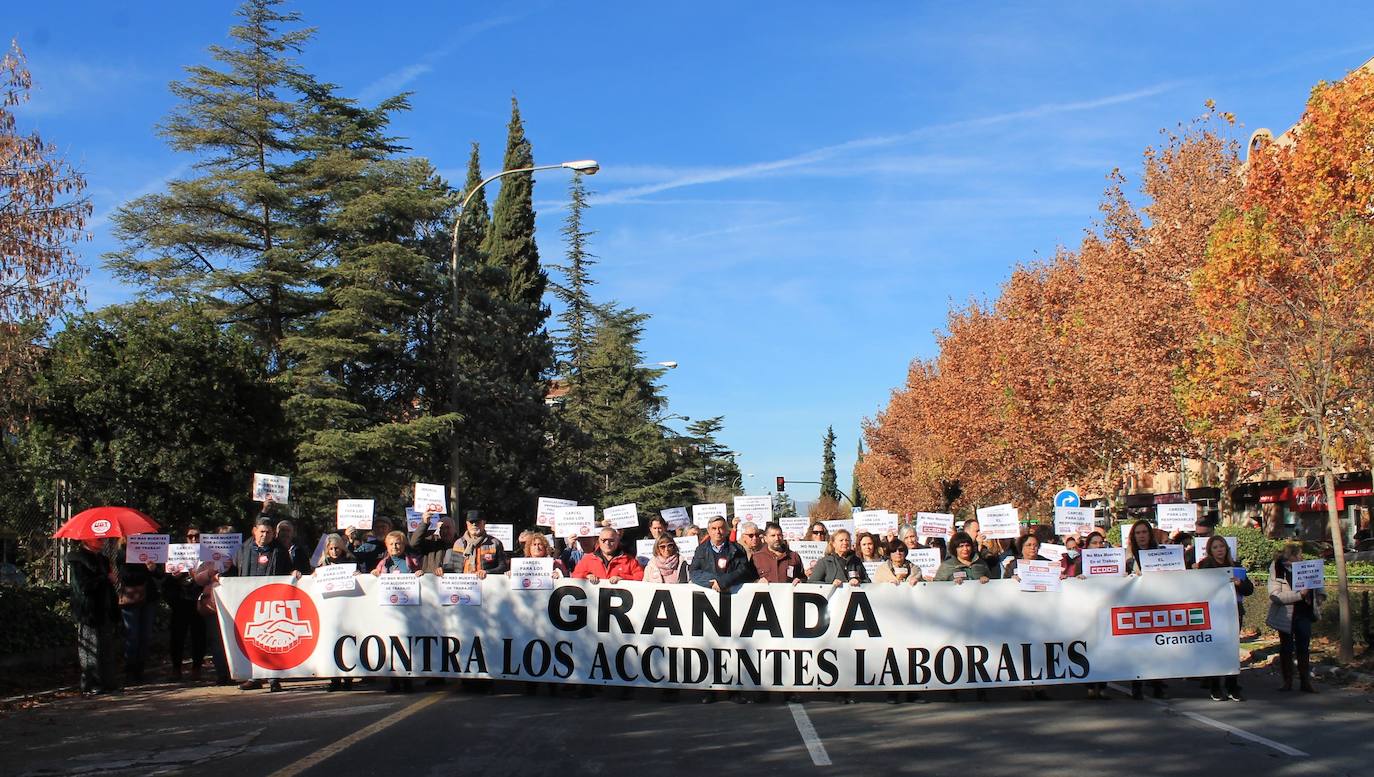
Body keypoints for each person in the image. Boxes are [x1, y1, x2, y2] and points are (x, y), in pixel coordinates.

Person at [226, 517, 297, 691]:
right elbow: (233, 571)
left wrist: (294, 572)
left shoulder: (279, 551)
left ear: (273, 534)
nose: (265, 535)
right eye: (262, 531)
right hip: (249, 601)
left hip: (272, 601)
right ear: (254, 531)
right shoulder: (244, 550)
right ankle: (254, 677)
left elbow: (289, 570)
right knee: (253, 639)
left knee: (273, 638)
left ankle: (273, 679)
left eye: (268, 532)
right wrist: (219, 578)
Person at [1198, 535, 1252, 701]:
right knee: (1216, 649)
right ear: (1210, 551)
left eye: (1221, 546)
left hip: (1234, 612)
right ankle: (1215, 686)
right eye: (1215, 547)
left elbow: (1249, 589)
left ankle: (1232, 686)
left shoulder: (1235, 566)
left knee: (1231, 650)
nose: (1219, 550)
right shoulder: (1206, 567)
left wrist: (1238, 583)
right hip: (1214, 613)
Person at [1267, 542, 1324, 693]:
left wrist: (1319, 596)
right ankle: (1287, 681)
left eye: (1300, 555)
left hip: (1304, 613)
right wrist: (1299, 595)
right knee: (1286, 647)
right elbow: (1275, 595)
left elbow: (1318, 585)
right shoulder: (1278, 569)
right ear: (1289, 556)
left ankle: (1305, 681)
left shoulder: (1306, 567)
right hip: (1286, 615)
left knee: (1303, 647)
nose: (1300, 558)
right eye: (1297, 555)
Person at [1123, 519, 1168, 700]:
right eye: (1138, 533)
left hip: (1156, 605)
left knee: (1156, 647)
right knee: (1137, 648)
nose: (1141, 536)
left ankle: (1158, 685)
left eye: (1144, 532)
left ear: (1150, 534)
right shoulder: (1128, 557)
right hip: (1135, 607)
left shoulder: (1161, 554)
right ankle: (1137, 685)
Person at [70, 538, 118, 695]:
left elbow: (108, 585)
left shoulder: (103, 559)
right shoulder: (78, 560)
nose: (102, 540)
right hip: (88, 610)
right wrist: (105, 578)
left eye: (103, 537)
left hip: (105, 608)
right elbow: (83, 586)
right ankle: (91, 683)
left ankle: (108, 682)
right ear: (86, 539)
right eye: (98, 538)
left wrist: (112, 581)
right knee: (91, 649)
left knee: (107, 646)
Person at [314, 534, 359, 691]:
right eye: (331, 549)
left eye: (337, 548)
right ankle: (334, 679)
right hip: (329, 611)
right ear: (327, 549)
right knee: (331, 643)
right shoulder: (322, 564)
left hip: (347, 608)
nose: (334, 551)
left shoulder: (350, 560)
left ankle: (348, 679)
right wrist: (314, 576)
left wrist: (358, 576)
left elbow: (360, 578)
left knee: (347, 644)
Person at [163, 526, 207, 681]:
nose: (194, 539)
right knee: (177, 637)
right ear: (185, 538)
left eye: (197, 536)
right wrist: (174, 577)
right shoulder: (175, 553)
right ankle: (176, 669)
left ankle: (197, 668)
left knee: (199, 636)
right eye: (190, 537)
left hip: (198, 600)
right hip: (180, 601)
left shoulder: (206, 554)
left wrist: (198, 575)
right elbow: (166, 580)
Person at [116, 539, 163, 685]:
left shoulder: (150, 549)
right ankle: (130, 672)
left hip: (149, 599)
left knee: (145, 636)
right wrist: (145, 569)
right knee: (132, 636)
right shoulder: (122, 553)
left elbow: (160, 575)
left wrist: (153, 569)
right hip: (132, 599)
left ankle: (140, 671)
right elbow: (126, 577)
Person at [689, 516, 754, 592]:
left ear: (726, 530)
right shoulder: (700, 549)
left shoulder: (738, 549)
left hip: (734, 597)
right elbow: (694, 572)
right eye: (714, 528)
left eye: (721, 528)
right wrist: (715, 581)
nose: (717, 532)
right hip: (709, 597)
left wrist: (724, 582)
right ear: (708, 531)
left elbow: (743, 571)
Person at [443, 510, 509, 578]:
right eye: (471, 522)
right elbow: (451, 567)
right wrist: (442, 570)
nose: (474, 525)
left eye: (477, 522)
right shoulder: (458, 543)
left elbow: (503, 567)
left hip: (486, 585)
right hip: (463, 585)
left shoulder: (495, 543)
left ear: (484, 523)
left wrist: (487, 572)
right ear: (467, 523)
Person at [573, 527, 644, 584]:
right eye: (604, 540)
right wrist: (587, 576)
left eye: (611, 540)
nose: (607, 543)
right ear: (598, 541)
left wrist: (623, 578)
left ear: (617, 541)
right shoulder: (587, 559)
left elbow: (641, 578)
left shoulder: (629, 560)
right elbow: (575, 576)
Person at [409, 509, 454, 573]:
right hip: (430, 580)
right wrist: (424, 524)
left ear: (454, 528)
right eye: (441, 528)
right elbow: (413, 544)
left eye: (447, 527)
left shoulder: (460, 543)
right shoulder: (431, 542)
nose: (444, 531)